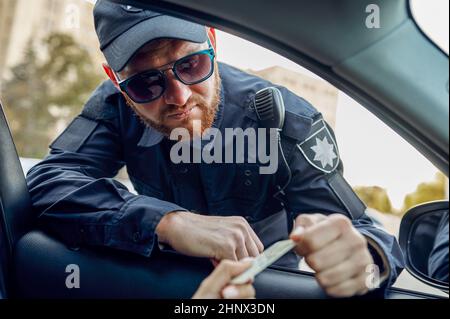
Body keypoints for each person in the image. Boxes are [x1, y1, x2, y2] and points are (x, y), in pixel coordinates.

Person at [27, 0, 404, 298]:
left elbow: (361, 230)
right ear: (116, 80)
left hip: (267, 288)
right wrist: (167, 221)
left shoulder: (287, 119)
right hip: (163, 279)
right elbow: (49, 182)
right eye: (145, 84)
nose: (179, 97)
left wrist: (365, 258)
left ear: (213, 41)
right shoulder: (114, 105)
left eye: (190, 65)